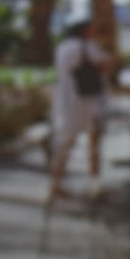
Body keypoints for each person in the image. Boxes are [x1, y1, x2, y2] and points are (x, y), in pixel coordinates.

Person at [49, 20, 113, 199]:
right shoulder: (88, 47)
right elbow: (106, 65)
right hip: (87, 101)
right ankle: (94, 183)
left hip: (67, 99)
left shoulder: (63, 47)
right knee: (94, 142)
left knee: (65, 141)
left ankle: (56, 182)